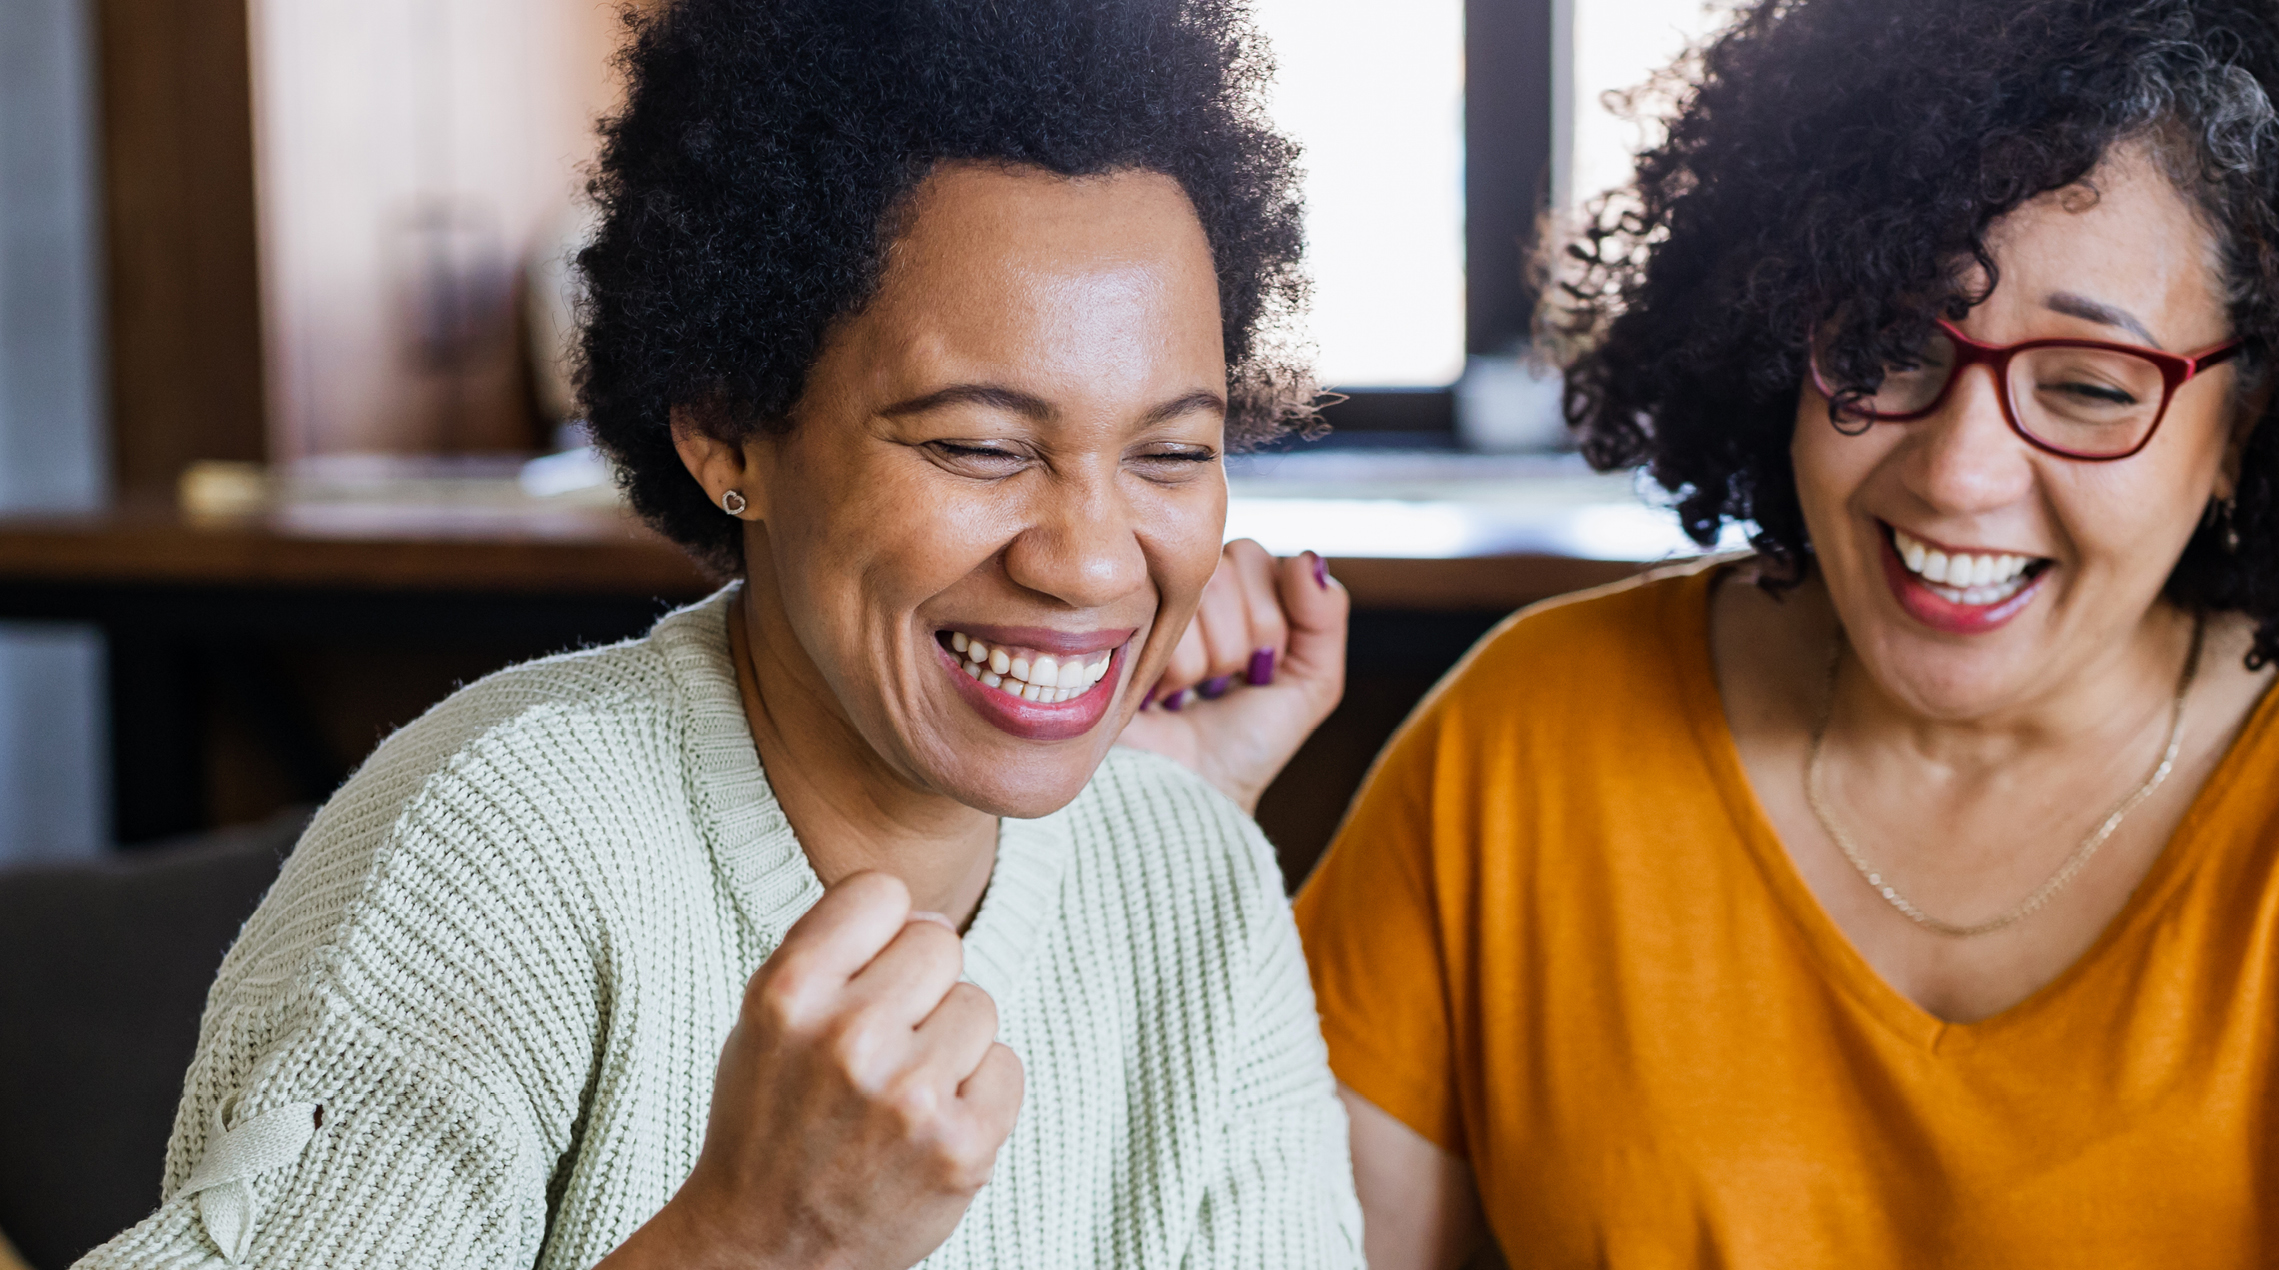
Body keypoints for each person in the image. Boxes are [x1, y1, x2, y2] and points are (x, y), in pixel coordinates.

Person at [1289, 0, 2279, 1265]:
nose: (1960, 468)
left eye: (2092, 386)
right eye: (1894, 345)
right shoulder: (1528, 742)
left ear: (2250, 424)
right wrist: (1150, 837)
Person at [71, 0, 1365, 1265]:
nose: (1088, 556)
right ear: (727, 429)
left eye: (1174, 451)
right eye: (978, 445)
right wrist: (758, 1239)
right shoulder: (503, 849)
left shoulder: (1195, 880)